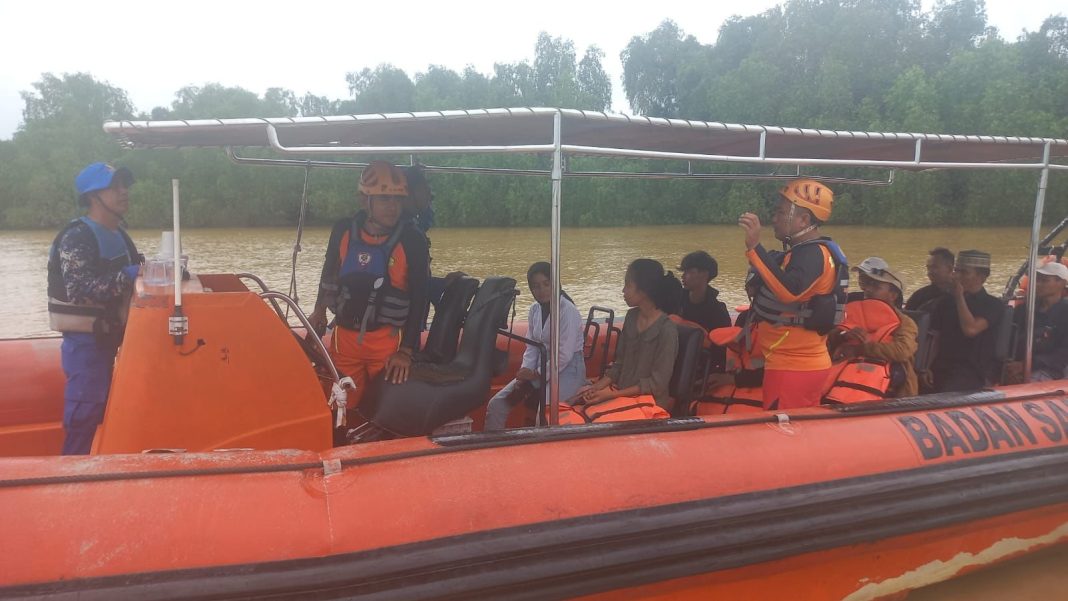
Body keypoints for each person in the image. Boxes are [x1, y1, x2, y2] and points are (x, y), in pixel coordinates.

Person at [309, 161, 430, 418]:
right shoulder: (343, 230)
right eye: (384, 198)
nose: (392, 206)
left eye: (397, 199)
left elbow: (421, 297)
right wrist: (318, 311)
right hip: (344, 339)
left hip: (387, 343)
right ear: (365, 200)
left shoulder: (412, 239)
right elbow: (329, 273)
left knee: (386, 412)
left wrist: (407, 351)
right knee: (342, 410)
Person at [46, 162, 142, 455]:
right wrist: (127, 276)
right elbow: (79, 290)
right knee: (85, 412)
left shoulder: (120, 236)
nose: (123, 191)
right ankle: (74, 472)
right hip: (86, 343)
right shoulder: (78, 236)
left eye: (124, 184)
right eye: (114, 186)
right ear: (92, 196)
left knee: (119, 408)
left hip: (117, 337)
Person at [738, 178, 848, 410]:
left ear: (804, 220)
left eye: (781, 212)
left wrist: (754, 247)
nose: (774, 218)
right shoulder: (803, 253)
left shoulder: (814, 254)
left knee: (784, 435)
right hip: (793, 364)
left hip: (794, 366)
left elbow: (788, 291)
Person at [484, 262, 586, 431]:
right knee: (497, 405)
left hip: (568, 369)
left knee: (544, 413)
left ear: (555, 283)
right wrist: (525, 373)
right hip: (540, 366)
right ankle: (492, 448)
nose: (542, 290)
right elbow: (531, 346)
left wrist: (536, 374)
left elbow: (564, 355)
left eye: (547, 284)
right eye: (536, 286)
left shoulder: (568, 311)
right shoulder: (534, 310)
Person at [575, 259, 680, 421]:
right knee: (578, 405)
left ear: (644, 290)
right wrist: (596, 388)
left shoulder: (667, 330)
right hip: (622, 395)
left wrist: (612, 395)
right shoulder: (631, 317)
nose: (623, 291)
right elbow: (619, 364)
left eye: (627, 285)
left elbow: (657, 385)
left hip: (650, 403)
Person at [829, 257, 918, 399]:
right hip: (843, 378)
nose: (868, 290)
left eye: (876, 287)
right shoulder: (851, 312)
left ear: (893, 295)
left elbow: (902, 351)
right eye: (869, 284)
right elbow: (827, 341)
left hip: (887, 385)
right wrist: (844, 335)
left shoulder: (905, 323)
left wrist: (859, 349)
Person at [928, 250, 1003, 392]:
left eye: (964, 272)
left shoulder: (993, 304)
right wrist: (925, 366)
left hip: (973, 370)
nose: (956, 276)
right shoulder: (944, 302)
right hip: (942, 366)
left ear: (981, 277)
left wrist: (959, 298)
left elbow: (971, 329)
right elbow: (935, 337)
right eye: (956, 271)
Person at [1005, 261, 1068, 382]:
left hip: (1052, 368)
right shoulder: (1023, 310)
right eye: (1036, 280)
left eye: (1044, 280)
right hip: (1019, 363)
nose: (1038, 284)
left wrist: (1028, 365)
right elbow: (1010, 339)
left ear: (1062, 283)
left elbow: (1064, 354)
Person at [677, 250, 732, 370]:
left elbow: (722, 350)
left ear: (704, 274)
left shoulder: (718, 311)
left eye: (689, 272)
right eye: (683, 271)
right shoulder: (675, 300)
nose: (683, 276)